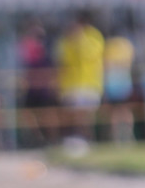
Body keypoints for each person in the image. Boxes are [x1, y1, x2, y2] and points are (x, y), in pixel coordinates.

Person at [55, 11, 106, 144]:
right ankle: (76, 138)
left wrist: (80, 39)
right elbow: (63, 58)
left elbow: (90, 55)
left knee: (85, 114)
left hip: (90, 82)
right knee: (72, 113)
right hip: (70, 83)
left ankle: (87, 138)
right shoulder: (66, 38)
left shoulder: (94, 36)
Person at [103, 26, 137, 142]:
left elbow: (105, 65)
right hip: (125, 82)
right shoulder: (127, 45)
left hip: (111, 83)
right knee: (125, 109)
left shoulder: (108, 46)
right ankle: (128, 133)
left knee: (114, 112)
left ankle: (117, 136)